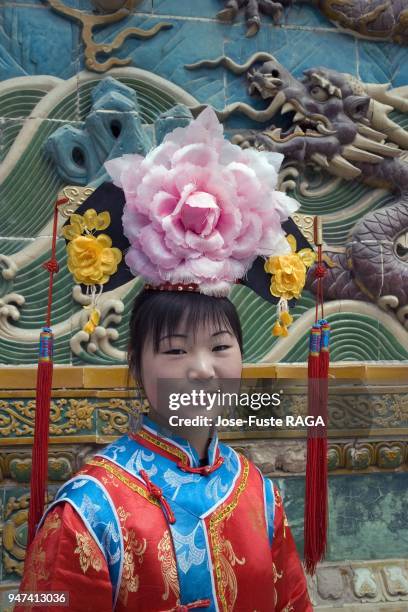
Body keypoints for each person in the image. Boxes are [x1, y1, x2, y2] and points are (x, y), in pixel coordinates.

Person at [17, 107, 315, 611]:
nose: (202, 369)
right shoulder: (89, 509)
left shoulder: (258, 493)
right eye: (176, 350)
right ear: (136, 364)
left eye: (221, 347)